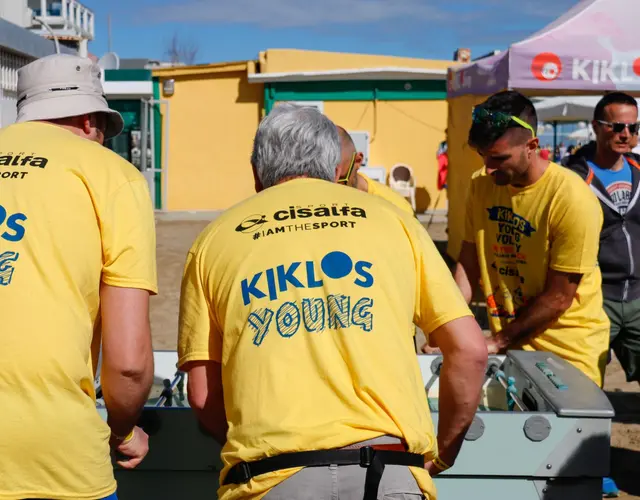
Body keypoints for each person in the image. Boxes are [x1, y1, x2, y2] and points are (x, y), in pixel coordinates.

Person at [178, 104, 488, 500]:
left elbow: (203, 395)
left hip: (270, 479)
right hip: (389, 471)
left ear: (257, 172)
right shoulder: (394, 221)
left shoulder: (214, 240)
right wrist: (443, 452)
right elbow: (469, 350)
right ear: (336, 166)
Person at [0, 54, 157, 499]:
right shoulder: (112, 176)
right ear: (90, 120)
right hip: (52, 453)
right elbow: (128, 364)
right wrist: (123, 431)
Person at [455, 90, 609, 387]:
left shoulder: (571, 197)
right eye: (483, 156)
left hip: (567, 354)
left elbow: (559, 296)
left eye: (499, 158)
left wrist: (497, 341)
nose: (488, 167)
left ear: (532, 146)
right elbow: (468, 263)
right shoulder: (481, 185)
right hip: (511, 346)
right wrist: (449, 324)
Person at [564, 92, 640, 384]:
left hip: (637, 295)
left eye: (633, 128)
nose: (626, 134)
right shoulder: (571, 177)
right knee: (585, 383)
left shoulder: (638, 169)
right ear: (595, 126)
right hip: (594, 299)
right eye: (616, 126)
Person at [336, 126, 414, 214]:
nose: (331, 187)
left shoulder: (396, 207)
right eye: (321, 180)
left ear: (357, 161)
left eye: (340, 180)